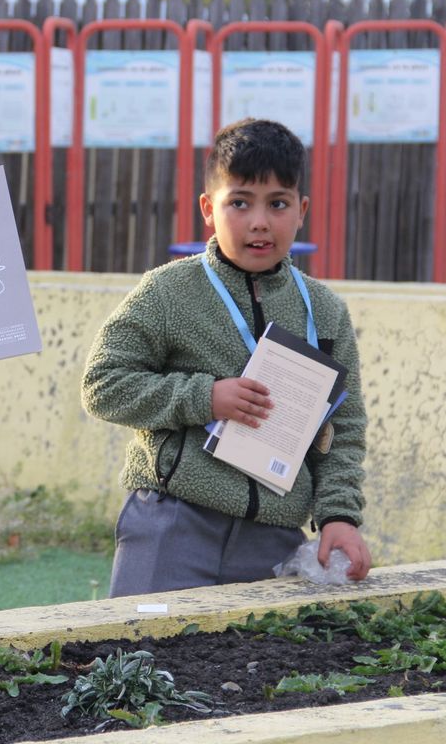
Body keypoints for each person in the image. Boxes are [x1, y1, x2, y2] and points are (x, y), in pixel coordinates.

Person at [81, 118, 371, 596]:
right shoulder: (168, 291)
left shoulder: (325, 312)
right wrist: (204, 397)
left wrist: (339, 515)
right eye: (239, 202)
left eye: (277, 204)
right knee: (138, 659)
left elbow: (344, 430)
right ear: (208, 210)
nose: (260, 222)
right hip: (171, 523)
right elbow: (103, 385)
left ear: (301, 211)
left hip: (274, 538)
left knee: (256, 668)